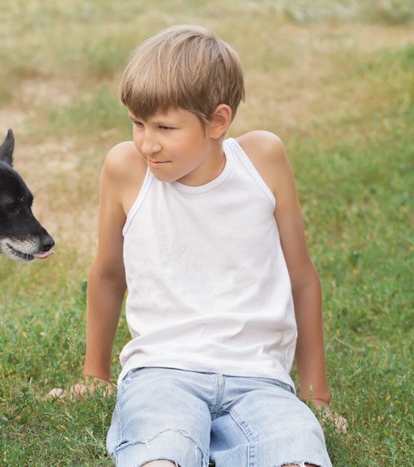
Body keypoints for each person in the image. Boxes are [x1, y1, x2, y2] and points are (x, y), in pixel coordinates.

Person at [55, 25, 336, 466]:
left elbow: (301, 278)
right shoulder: (126, 169)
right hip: (161, 374)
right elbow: (109, 275)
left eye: (165, 127)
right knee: (162, 452)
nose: (147, 142)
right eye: (137, 123)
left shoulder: (263, 161)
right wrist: (96, 375)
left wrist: (317, 394)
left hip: (259, 377)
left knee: (298, 453)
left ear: (218, 122)